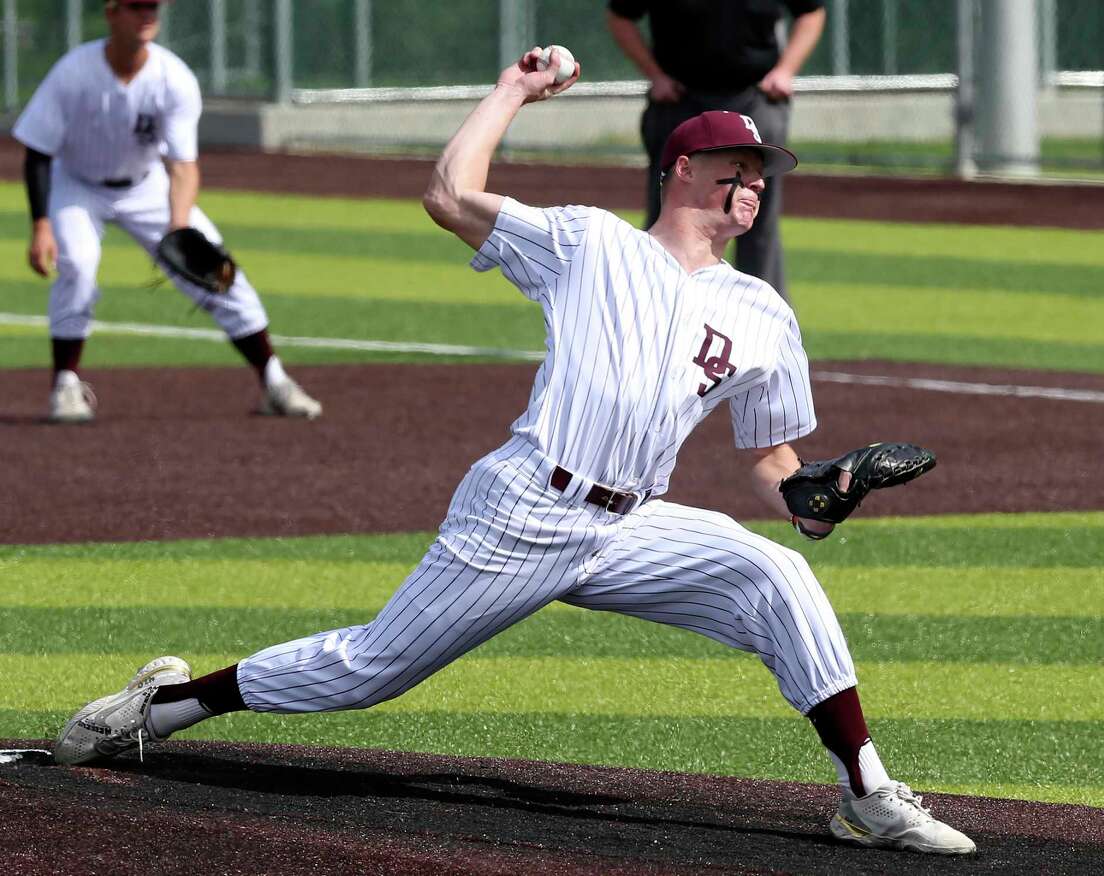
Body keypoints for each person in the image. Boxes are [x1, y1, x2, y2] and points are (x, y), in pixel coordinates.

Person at [52, 48, 975, 857]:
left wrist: (826, 490)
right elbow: (447, 195)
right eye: (744, 165)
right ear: (685, 169)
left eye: (764, 171)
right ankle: (164, 706)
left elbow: (775, 463)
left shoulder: (764, 313)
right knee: (368, 671)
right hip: (527, 505)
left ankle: (867, 793)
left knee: (777, 577)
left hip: (632, 524)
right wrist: (512, 91)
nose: (759, 182)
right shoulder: (588, 243)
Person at [13, 0, 321, 423]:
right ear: (112, 12)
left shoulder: (172, 77)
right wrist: (41, 225)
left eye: (153, 7)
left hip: (148, 186)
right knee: (78, 266)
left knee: (221, 273)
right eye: (137, 6)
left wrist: (178, 226)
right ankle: (65, 385)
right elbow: (38, 151)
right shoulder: (73, 73)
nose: (147, 15)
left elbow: (183, 165)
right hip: (77, 186)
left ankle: (274, 380)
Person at [607, 0, 826, 300]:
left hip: (754, 97)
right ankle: (649, 309)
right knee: (671, 213)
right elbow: (620, 15)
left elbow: (811, 11)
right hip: (681, 99)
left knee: (754, 217)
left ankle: (760, 324)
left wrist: (786, 70)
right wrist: (654, 74)